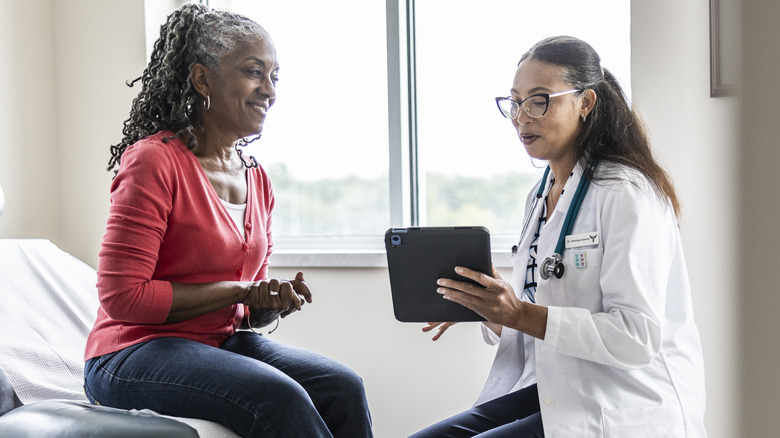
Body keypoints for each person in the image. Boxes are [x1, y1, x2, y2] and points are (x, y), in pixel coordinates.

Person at [82, 4, 373, 437]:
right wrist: (241, 290)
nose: (269, 91)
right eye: (254, 72)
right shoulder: (154, 161)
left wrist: (265, 303)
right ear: (202, 79)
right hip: (132, 353)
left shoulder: (258, 180)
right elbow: (122, 297)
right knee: (278, 396)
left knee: (342, 386)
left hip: (220, 342)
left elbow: (242, 313)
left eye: (275, 77)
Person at [411, 36, 707, 437]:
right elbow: (543, 320)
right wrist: (489, 306)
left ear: (585, 103)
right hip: (559, 387)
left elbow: (636, 337)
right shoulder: (540, 193)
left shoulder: (626, 193)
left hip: (623, 399)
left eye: (539, 100)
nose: (521, 117)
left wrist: (517, 312)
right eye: (514, 102)